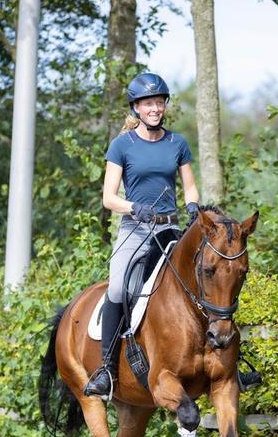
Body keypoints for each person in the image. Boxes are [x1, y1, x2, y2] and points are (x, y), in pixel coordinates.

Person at [84, 71, 200, 399]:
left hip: (169, 228)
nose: (155, 108)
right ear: (136, 107)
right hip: (135, 229)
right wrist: (134, 207)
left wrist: (193, 207)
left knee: (205, 278)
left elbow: (189, 186)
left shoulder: (177, 142)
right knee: (119, 286)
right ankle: (105, 369)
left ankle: (226, 361)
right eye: (148, 103)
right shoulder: (122, 145)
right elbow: (108, 197)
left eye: (159, 102)